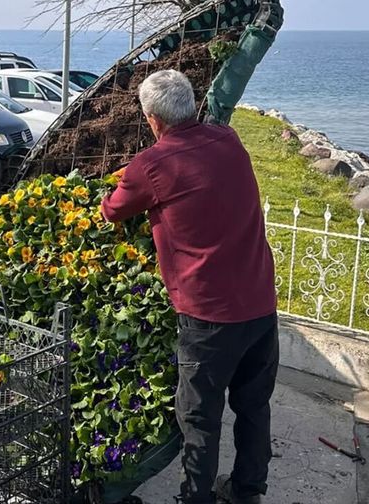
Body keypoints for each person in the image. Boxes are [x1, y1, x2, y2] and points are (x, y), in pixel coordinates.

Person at [101, 70, 278, 504]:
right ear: (192, 105)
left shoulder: (152, 165)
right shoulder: (229, 140)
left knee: (199, 417)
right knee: (254, 405)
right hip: (260, 303)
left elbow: (113, 210)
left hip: (208, 315)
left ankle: (195, 498)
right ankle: (247, 491)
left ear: (152, 119)